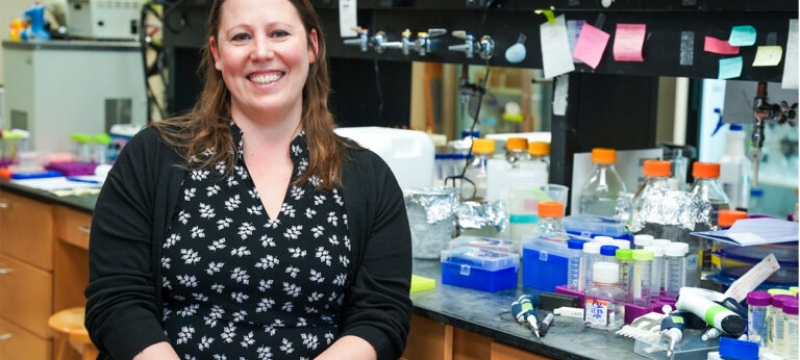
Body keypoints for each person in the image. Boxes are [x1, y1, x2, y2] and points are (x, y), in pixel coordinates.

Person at [84, 0, 413, 358]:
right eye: (241, 37)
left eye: (279, 33)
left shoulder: (368, 177)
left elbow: (382, 315)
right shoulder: (154, 156)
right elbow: (117, 299)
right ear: (217, 53)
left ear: (312, 46)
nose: (261, 51)